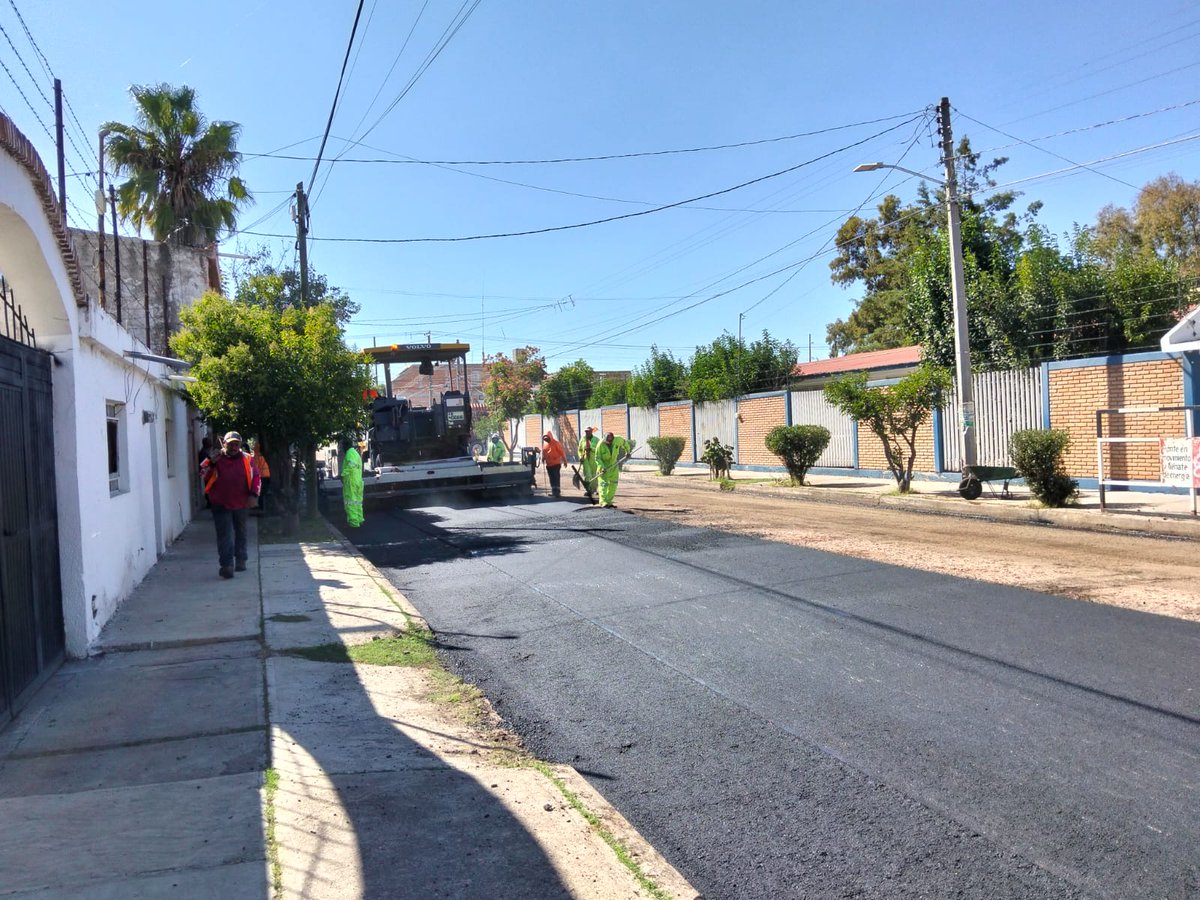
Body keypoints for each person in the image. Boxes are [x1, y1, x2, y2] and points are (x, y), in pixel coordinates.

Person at [200, 431, 261, 579]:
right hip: (220, 503)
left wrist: (253, 495)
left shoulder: (247, 459)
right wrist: (211, 462)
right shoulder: (215, 458)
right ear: (224, 444)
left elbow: (257, 477)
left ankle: (241, 559)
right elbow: (202, 473)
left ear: (240, 445)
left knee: (241, 532)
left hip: (241, 502)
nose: (234, 447)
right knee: (224, 534)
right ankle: (226, 565)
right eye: (231, 444)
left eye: (236, 444)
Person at [595, 431, 631, 508]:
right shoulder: (600, 445)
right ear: (604, 439)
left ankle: (609, 501)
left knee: (613, 484)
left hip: (614, 466)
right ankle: (603, 502)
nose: (609, 443)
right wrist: (602, 467)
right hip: (604, 467)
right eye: (607, 441)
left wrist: (627, 452)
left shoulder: (618, 439)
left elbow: (625, 443)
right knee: (603, 485)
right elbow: (597, 458)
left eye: (611, 441)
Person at [341, 440, 364, 527]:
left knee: (350, 502)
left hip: (351, 481)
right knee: (357, 502)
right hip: (358, 480)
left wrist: (343, 474)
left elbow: (351, 465)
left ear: (345, 446)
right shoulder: (355, 453)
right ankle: (359, 518)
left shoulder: (349, 453)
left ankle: (353, 522)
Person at [578, 426, 601, 502]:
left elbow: (599, 450)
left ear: (591, 432)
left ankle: (594, 489)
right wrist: (580, 456)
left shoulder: (596, 440)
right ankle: (588, 490)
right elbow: (580, 449)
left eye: (588, 431)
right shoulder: (583, 439)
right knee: (587, 474)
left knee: (594, 474)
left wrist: (591, 449)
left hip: (594, 459)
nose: (587, 433)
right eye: (586, 431)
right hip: (585, 459)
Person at [541, 431, 566, 497]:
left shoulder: (556, 443)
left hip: (556, 464)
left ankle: (557, 492)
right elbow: (544, 453)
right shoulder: (545, 445)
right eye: (544, 438)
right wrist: (543, 458)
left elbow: (561, 452)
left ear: (550, 437)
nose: (546, 439)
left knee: (556, 477)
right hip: (549, 465)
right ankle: (553, 491)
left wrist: (565, 461)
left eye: (547, 438)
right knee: (551, 478)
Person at [253, 439, 271, 516]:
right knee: (264, 492)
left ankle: (261, 508)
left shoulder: (257, 456)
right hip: (267, 475)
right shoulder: (265, 455)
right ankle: (263, 507)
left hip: (262, 476)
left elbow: (255, 466)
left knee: (261, 492)